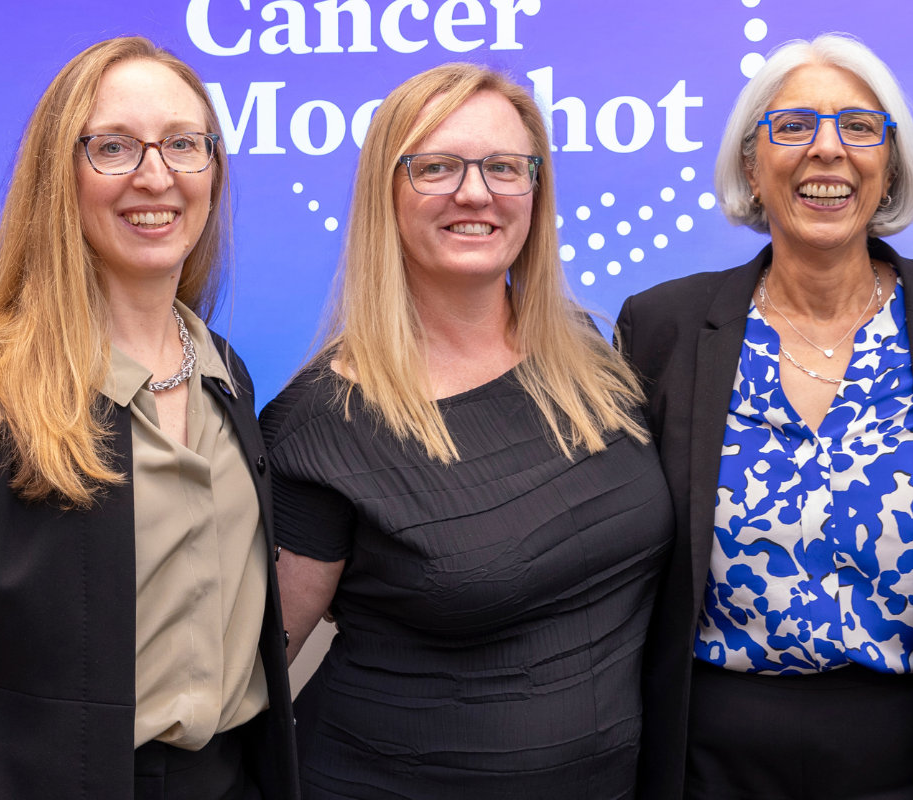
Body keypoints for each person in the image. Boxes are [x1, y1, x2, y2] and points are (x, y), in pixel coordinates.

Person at [618, 33, 913, 800]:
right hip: (710, 750)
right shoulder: (662, 328)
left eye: (859, 127)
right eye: (794, 126)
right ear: (751, 163)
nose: (828, 151)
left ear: (891, 161)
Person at [0, 37, 298, 800]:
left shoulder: (227, 374)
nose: (157, 176)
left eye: (184, 145)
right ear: (60, 175)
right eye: (113, 147)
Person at [263, 63, 674, 800]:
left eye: (504, 167)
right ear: (386, 193)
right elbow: (248, 678)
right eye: (437, 167)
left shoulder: (585, 355)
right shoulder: (323, 422)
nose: (475, 192)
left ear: (537, 191)